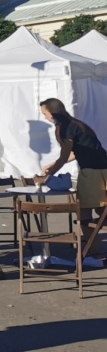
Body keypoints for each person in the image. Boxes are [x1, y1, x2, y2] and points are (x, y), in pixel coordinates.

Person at [39, 98, 107, 249]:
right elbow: (76, 152)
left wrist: (48, 177)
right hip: (102, 167)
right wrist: (52, 165)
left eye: (45, 114)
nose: (45, 117)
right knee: (101, 210)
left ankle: (92, 251)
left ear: (52, 112)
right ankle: (92, 249)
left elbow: (64, 156)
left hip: (92, 173)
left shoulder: (66, 127)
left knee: (85, 212)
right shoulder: (76, 124)